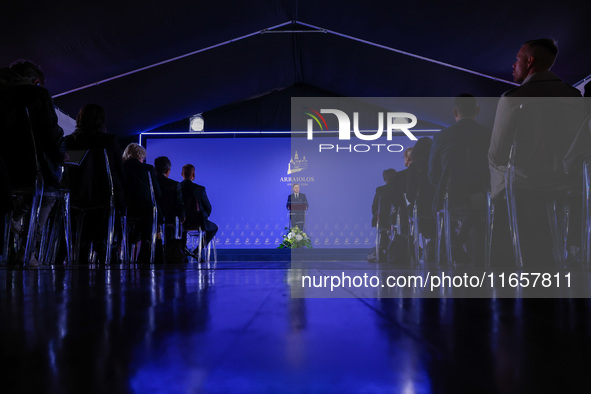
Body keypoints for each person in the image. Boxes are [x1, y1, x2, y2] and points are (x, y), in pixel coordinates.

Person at [488, 38, 585, 266]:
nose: (514, 65)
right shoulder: (575, 98)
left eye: (517, 59)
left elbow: (498, 154)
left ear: (530, 61)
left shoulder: (512, 99)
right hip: (566, 186)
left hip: (524, 188)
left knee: (501, 189)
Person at [0, 60, 65, 267]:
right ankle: (27, 251)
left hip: (4, 174)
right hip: (32, 171)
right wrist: (60, 155)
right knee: (48, 196)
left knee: (24, 197)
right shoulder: (39, 95)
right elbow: (51, 133)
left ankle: (14, 219)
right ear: (36, 81)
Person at [428, 94, 491, 263]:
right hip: (482, 196)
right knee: (477, 213)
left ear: (455, 111)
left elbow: (433, 174)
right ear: (477, 110)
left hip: (452, 197)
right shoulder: (488, 134)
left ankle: (454, 247)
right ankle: (468, 251)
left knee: (444, 213)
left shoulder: (442, 136)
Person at [64, 104, 125, 262]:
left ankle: (82, 246)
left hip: (75, 198)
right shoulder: (109, 141)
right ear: (102, 120)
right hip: (104, 198)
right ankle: (107, 245)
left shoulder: (70, 141)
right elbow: (120, 171)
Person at [122, 143, 161, 261]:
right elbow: (157, 193)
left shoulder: (121, 168)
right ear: (141, 156)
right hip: (145, 211)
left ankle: (127, 248)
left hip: (125, 209)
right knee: (151, 209)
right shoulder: (148, 169)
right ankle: (146, 244)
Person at [180, 164, 218, 258]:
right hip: (199, 222)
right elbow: (208, 207)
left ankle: (183, 251)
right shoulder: (199, 189)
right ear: (193, 175)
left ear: (182, 174)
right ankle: (197, 251)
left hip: (182, 223)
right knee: (214, 228)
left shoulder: (177, 187)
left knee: (182, 229)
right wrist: (204, 217)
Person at [154, 156, 186, 261]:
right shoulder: (175, 184)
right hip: (170, 220)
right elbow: (179, 204)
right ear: (168, 171)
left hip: (152, 219)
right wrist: (182, 216)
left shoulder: (151, 183)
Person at [370, 168, 397, 261]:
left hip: (382, 220)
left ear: (384, 178)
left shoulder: (380, 190)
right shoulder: (400, 190)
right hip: (399, 220)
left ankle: (384, 251)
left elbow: (374, 207)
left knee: (383, 232)